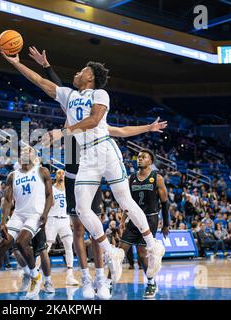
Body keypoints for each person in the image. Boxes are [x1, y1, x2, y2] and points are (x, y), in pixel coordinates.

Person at [28, 46, 167, 298]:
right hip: (85, 156)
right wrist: (20, 62)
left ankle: (152, 245)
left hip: (104, 150)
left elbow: (102, 125)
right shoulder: (71, 98)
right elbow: (45, 83)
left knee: (124, 201)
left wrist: (63, 132)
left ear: (90, 77)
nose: (78, 72)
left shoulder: (100, 95)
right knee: (82, 211)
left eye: (82, 70)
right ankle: (110, 252)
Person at [0, 146, 53, 300]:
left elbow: (49, 196)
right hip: (18, 214)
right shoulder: (12, 176)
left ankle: (36, 277)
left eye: (30, 151)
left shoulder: (42, 171)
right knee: (2, 246)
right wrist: (2, 222)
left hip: (35, 214)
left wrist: (45, 214)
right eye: (23, 151)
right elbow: (7, 201)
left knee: (21, 242)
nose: (26, 153)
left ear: (35, 157)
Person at [118, 149, 170, 299]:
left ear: (150, 162)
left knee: (141, 253)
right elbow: (127, 202)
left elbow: (165, 203)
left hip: (150, 219)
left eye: (143, 157)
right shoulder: (131, 178)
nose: (139, 159)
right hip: (134, 219)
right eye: (138, 157)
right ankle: (108, 283)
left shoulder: (157, 178)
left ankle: (151, 282)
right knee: (121, 249)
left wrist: (166, 224)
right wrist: (123, 220)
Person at [44, 169, 79, 286]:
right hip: (52, 219)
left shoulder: (69, 190)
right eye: (59, 173)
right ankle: (37, 274)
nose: (61, 175)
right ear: (55, 176)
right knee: (46, 248)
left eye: (63, 173)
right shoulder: (51, 189)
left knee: (69, 246)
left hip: (64, 220)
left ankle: (70, 276)